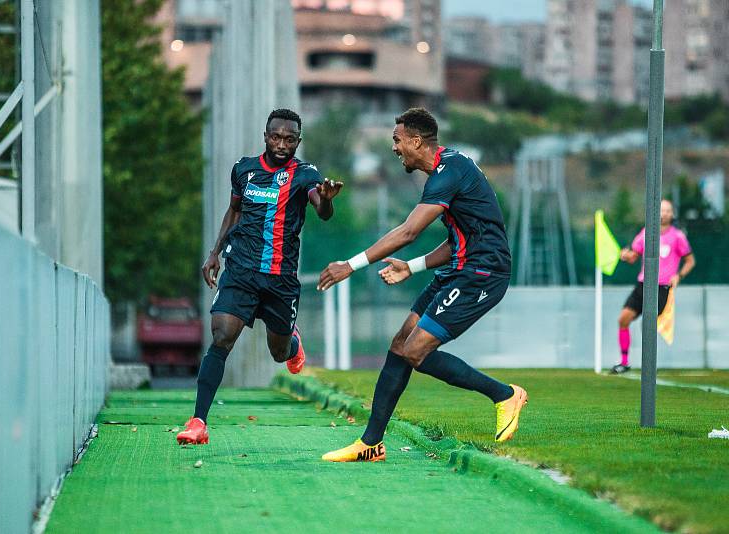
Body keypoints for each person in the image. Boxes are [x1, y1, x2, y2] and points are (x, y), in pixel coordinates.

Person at [317, 108, 527, 463]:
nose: (395, 148)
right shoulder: (447, 171)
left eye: (397, 141)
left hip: (483, 273)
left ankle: (505, 394)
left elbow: (408, 231)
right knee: (400, 345)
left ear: (416, 141)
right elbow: (456, 241)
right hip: (460, 269)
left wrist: (349, 265)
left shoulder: (450, 170)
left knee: (415, 351)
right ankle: (371, 443)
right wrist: (412, 267)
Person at [176, 109, 343, 445]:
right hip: (241, 271)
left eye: (290, 139)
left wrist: (325, 201)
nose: (282, 144)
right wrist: (214, 252)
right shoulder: (244, 169)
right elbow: (235, 210)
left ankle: (293, 343)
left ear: (298, 141)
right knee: (222, 337)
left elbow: (321, 210)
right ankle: (198, 422)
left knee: (278, 353)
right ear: (266, 136)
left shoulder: (305, 174)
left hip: (280, 281)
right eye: (276, 137)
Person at [612, 199, 695, 374]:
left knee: (648, 325)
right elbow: (634, 256)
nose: (664, 213)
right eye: (661, 210)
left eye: (668, 210)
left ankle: (649, 366)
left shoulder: (677, 236)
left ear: (672, 214)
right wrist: (625, 255)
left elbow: (690, 261)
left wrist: (678, 276)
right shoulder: (646, 233)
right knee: (623, 319)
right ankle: (624, 362)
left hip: (661, 288)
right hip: (643, 284)